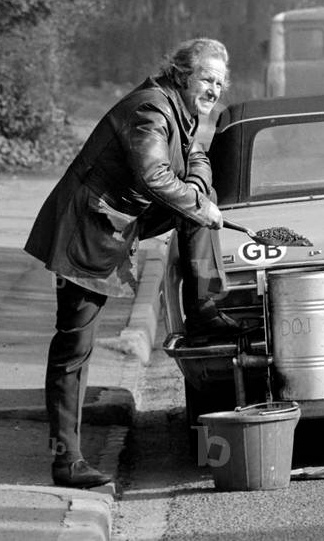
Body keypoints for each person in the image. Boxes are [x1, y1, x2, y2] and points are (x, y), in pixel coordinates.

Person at [25, 38, 241, 488]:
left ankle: (202, 308)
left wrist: (200, 195)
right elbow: (155, 174)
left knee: (199, 205)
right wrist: (201, 206)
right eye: (207, 79)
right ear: (182, 74)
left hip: (122, 221)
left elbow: (195, 154)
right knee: (73, 346)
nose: (214, 89)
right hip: (86, 230)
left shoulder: (179, 108)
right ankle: (67, 461)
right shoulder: (150, 110)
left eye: (220, 82)